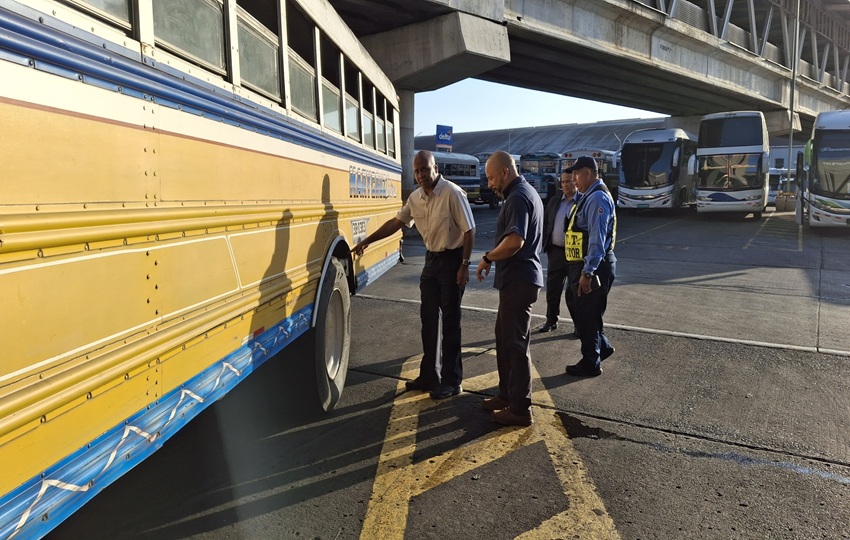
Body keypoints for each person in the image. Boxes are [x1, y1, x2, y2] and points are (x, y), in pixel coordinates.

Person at [351, 150, 475, 399]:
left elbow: (469, 230)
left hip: (452, 260)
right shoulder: (416, 198)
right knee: (428, 319)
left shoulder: (452, 193)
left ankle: (453, 380)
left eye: (425, 170)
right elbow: (396, 223)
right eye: (417, 171)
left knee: (450, 322)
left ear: (435, 168)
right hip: (431, 262)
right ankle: (430, 375)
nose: (420, 175)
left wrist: (464, 265)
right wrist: (368, 240)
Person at [476, 151, 544, 427]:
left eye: (492, 177)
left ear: (505, 172)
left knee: (515, 345)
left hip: (519, 280)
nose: (490, 184)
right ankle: (506, 395)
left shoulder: (517, 197)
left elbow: (515, 240)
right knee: (505, 341)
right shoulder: (526, 193)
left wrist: (488, 256)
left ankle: (520, 408)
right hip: (517, 280)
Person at [562, 156, 617, 377]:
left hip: (593, 266)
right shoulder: (588, 196)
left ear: (586, 172)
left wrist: (588, 272)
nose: (574, 180)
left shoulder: (596, 199)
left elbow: (597, 238)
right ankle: (600, 347)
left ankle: (590, 361)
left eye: (576, 175)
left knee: (586, 314)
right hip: (582, 265)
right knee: (579, 307)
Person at [539, 170, 579, 336]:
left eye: (568, 181)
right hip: (555, 252)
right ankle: (551, 320)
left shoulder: (582, 202)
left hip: (575, 254)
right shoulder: (555, 201)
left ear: (576, 182)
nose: (564, 185)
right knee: (553, 289)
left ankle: (579, 325)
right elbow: (546, 222)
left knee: (574, 292)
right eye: (562, 182)